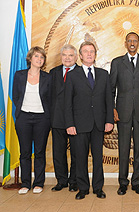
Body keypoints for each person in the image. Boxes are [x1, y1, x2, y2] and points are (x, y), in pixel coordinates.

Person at [64, 41, 114, 200]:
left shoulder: (103, 74)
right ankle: (83, 188)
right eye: (86, 51)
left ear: (95, 54)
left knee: (98, 158)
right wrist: (69, 124)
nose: (89, 54)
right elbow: (68, 103)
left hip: (99, 124)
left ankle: (98, 188)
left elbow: (108, 100)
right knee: (80, 157)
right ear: (80, 55)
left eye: (92, 51)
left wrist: (109, 120)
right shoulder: (72, 75)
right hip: (79, 124)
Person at [110, 32, 139, 195]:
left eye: (135, 41)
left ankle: (136, 182)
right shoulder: (117, 63)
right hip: (122, 112)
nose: (132, 43)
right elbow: (111, 89)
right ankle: (122, 182)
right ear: (125, 43)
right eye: (129, 41)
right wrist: (113, 109)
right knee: (123, 148)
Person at [13, 46, 52, 195]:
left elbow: (50, 99)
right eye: (36, 56)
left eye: (42, 57)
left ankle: (39, 183)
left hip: (42, 118)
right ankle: (26, 183)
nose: (39, 60)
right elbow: (15, 96)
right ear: (30, 58)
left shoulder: (47, 77)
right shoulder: (19, 75)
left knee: (40, 152)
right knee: (25, 152)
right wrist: (23, 111)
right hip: (24, 117)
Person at [50, 44, 79, 192]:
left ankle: (74, 181)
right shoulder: (53, 73)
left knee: (76, 152)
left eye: (70, 55)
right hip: (57, 119)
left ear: (76, 57)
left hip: (76, 120)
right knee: (58, 152)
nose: (67, 58)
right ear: (61, 57)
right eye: (64, 55)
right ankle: (61, 181)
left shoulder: (81, 72)